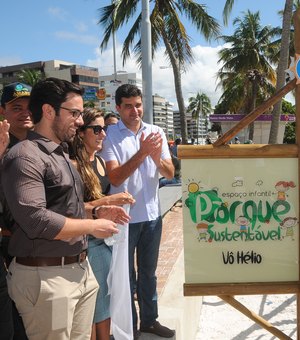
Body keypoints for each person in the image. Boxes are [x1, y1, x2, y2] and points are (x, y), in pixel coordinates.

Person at [1, 77, 130, 340]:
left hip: (77, 272)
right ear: (48, 111)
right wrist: (93, 225)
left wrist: (95, 212)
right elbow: (37, 220)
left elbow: (64, 209)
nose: (80, 121)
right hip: (46, 279)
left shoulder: (60, 154)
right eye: (74, 113)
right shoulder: (25, 156)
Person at [101, 84, 175, 339]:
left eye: (138, 104)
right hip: (123, 218)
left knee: (148, 273)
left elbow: (170, 172)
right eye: (129, 106)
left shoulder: (156, 132)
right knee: (124, 277)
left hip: (152, 216)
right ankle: (127, 326)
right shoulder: (109, 134)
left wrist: (154, 156)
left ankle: (149, 321)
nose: (135, 111)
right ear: (118, 107)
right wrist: (143, 153)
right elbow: (115, 176)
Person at [71, 107, 135, 340]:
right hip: (88, 241)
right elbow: (74, 207)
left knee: (105, 299)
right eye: (96, 129)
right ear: (81, 133)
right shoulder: (73, 165)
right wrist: (111, 200)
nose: (103, 134)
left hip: (105, 239)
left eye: (104, 129)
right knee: (98, 303)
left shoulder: (98, 161)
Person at [0, 82, 33, 340]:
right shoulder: (1, 145)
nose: (25, 112)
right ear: (3, 111)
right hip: (9, 246)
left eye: (29, 106)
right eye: (16, 107)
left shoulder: (43, 143)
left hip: (41, 247)